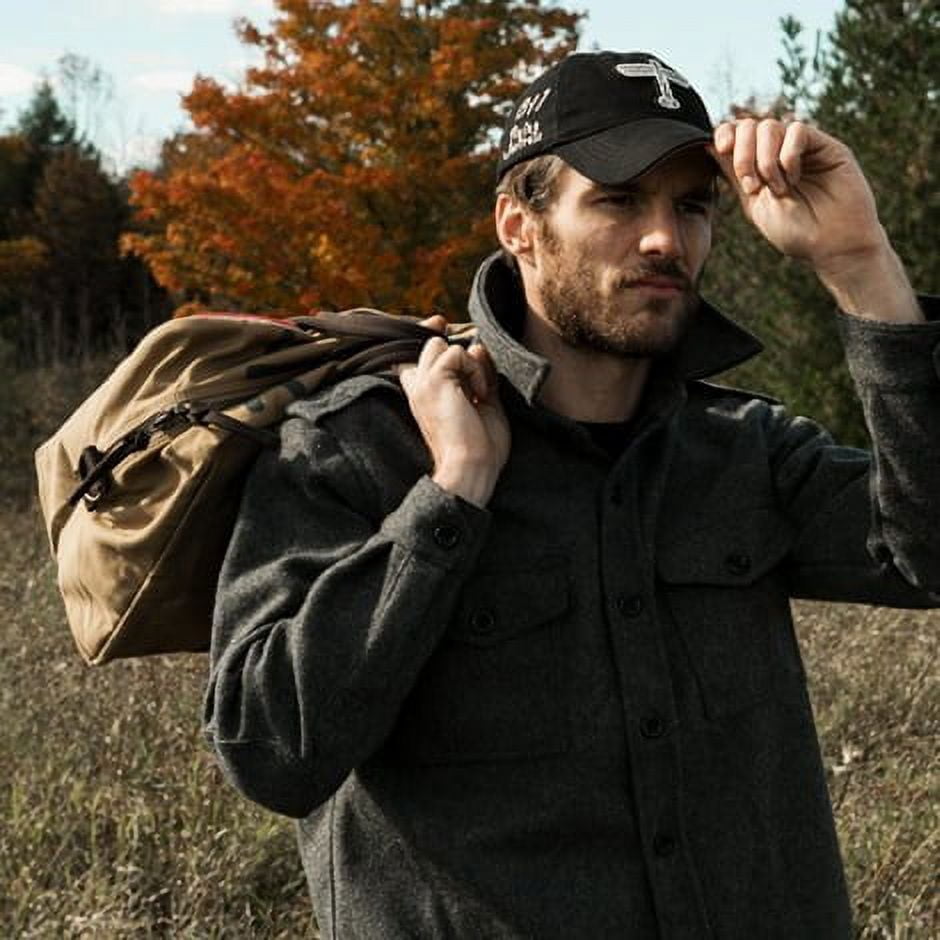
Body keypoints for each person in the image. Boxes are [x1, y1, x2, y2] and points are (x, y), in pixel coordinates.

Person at [204, 50, 939, 939]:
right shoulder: (361, 446)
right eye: (620, 200)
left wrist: (862, 263)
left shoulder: (744, 450)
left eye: (691, 206)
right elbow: (269, 751)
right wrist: (449, 501)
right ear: (519, 225)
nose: (665, 239)